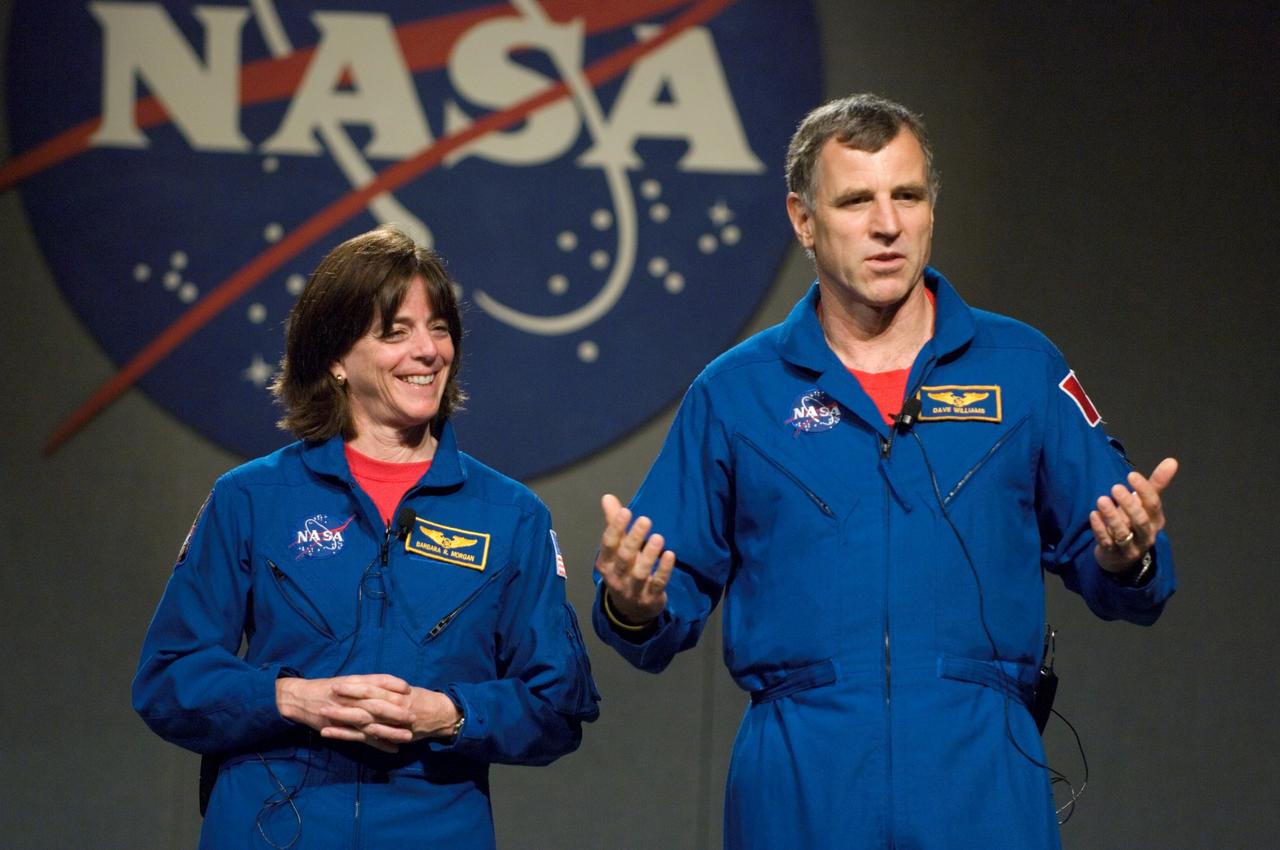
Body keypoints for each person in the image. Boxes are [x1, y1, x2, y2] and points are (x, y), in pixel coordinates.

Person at [592, 94, 1178, 850]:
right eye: (856, 200)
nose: (887, 224)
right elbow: (657, 607)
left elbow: (1133, 575)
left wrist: (1128, 557)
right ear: (803, 219)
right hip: (802, 775)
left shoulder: (1024, 369)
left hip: (982, 769)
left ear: (932, 207)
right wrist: (635, 603)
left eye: (907, 195)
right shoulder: (736, 392)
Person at [133, 225, 600, 849]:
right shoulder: (251, 498)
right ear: (334, 357)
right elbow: (168, 679)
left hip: (432, 826)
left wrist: (448, 714)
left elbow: (558, 706)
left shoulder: (511, 516)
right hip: (270, 825)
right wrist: (292, 699)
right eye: (395, 332)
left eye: (439, 328)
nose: (428, 351)